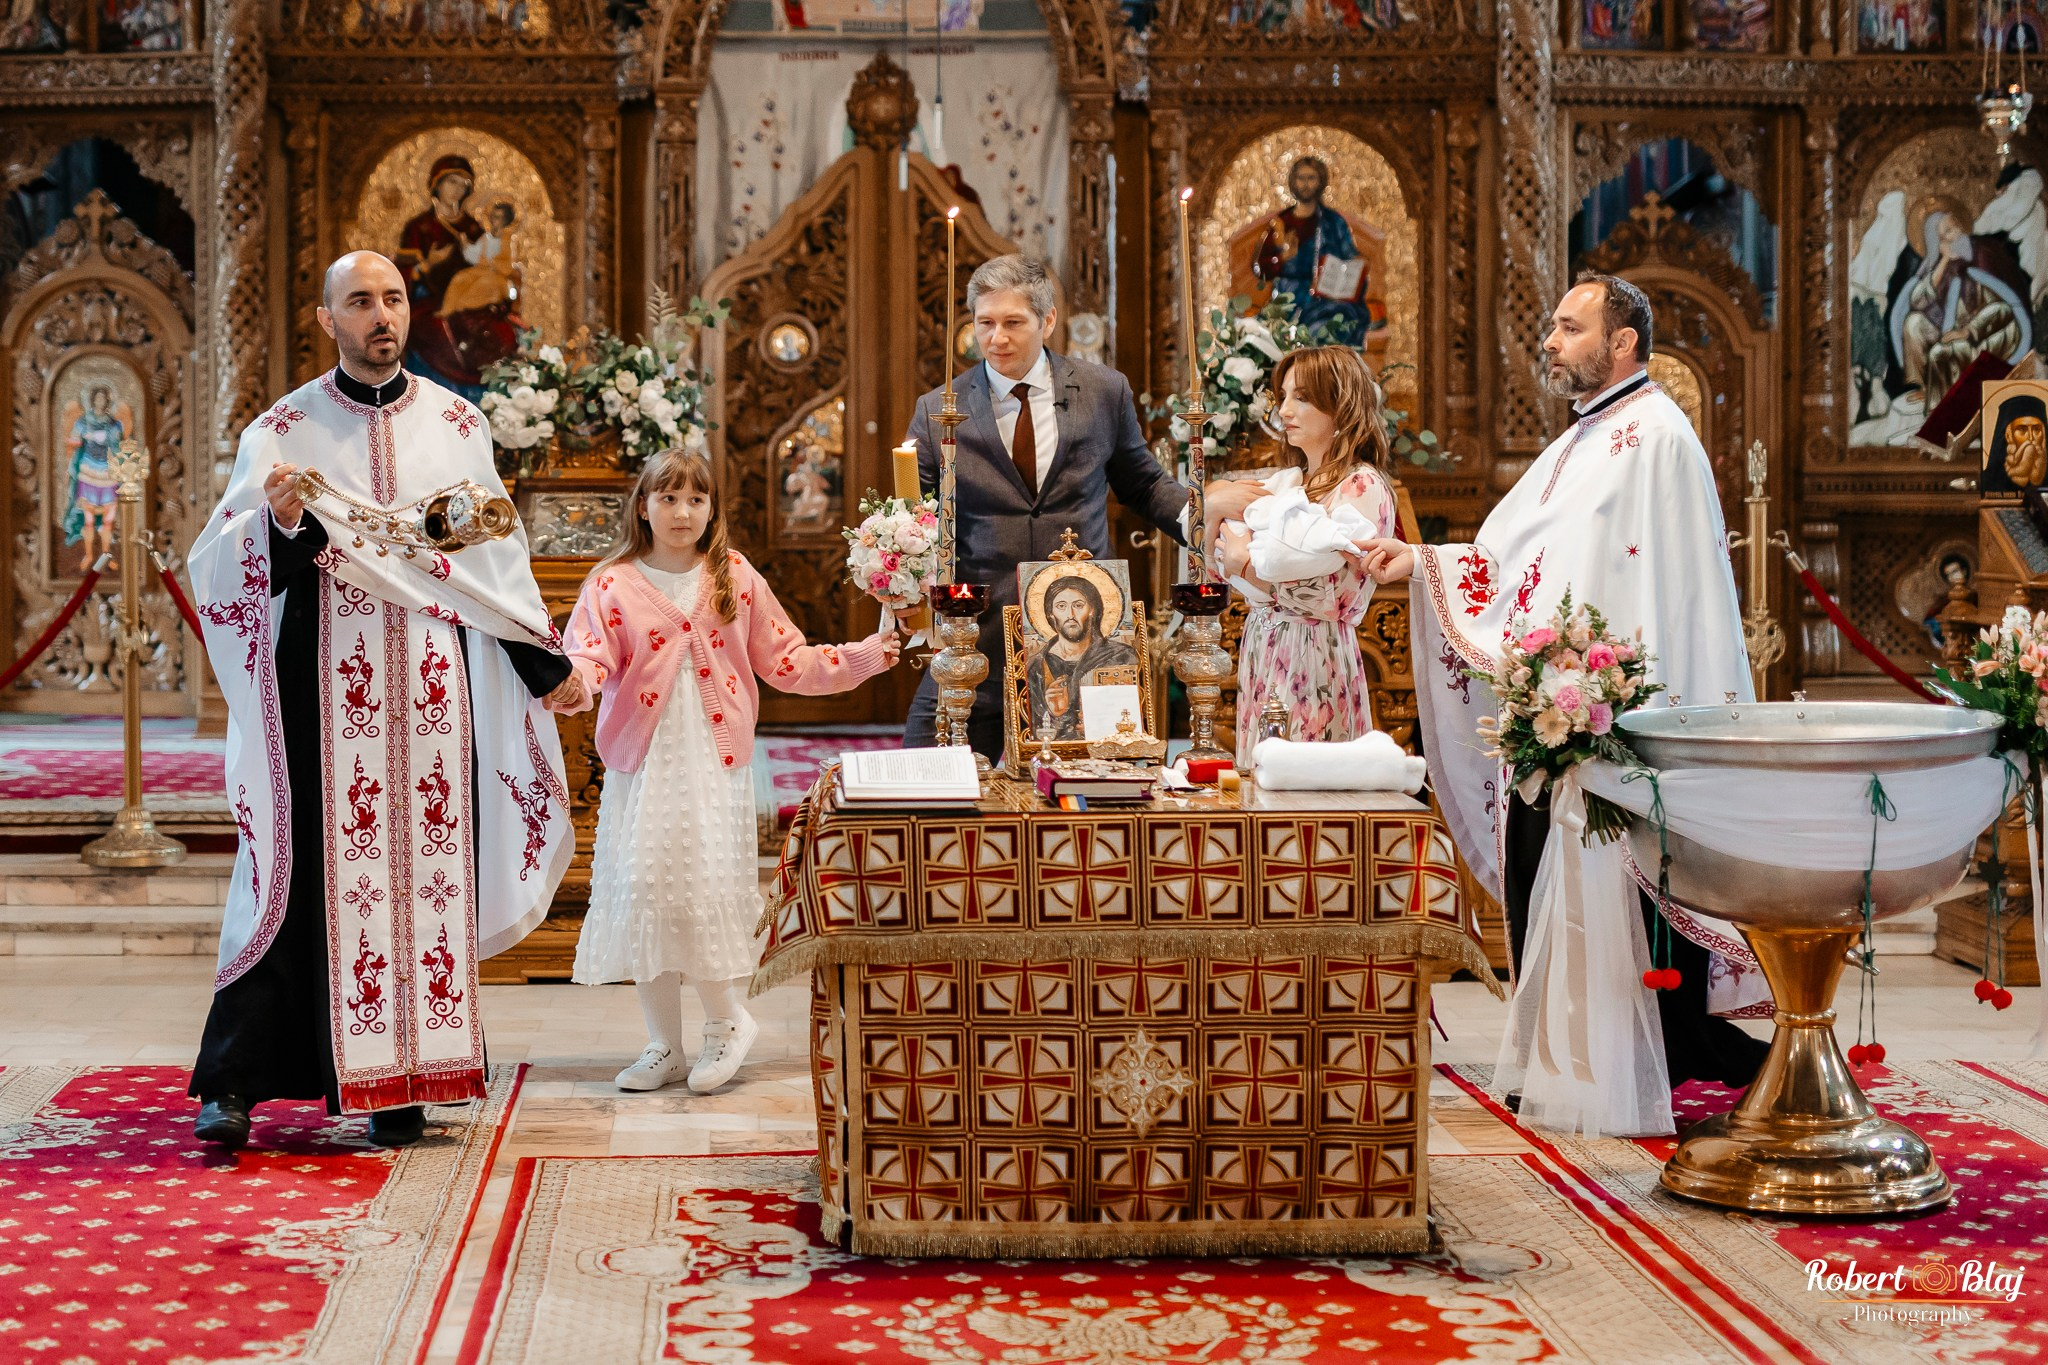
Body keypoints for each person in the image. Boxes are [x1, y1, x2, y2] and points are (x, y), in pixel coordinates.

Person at [187, 251, 583, 1151]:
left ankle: (402, 1078)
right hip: (317, 684)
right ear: (327, 319)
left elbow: (493, 570)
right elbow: (222, 563)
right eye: (360, 301)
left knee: (421, 878)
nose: (380, 315)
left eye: (393, 299)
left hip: (433, 690)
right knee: (290, 873)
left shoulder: (457, 423)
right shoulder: (284, 428)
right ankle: (236, 1078)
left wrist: (543, 665)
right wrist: (282, 522)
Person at [1359, 274, 1769, 1123]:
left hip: (1615, 716)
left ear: (1622, 342)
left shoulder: (1656, 435)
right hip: (1556, 708)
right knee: (1536, 873)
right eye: (1551, 325)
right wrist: (1424, 564)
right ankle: (1565, 1055)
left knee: (1617, 895)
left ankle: (1637, 1059)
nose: (1549, 340)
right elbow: (1513, 558)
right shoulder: (1585, 435)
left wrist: (1616, 699)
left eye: (1569, 327)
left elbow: (1665, 587)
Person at [560, 448, 900, 1094]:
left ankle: (727, 1021)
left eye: (696, 499)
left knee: (702, 885)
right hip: (645, 759)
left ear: (712, 508)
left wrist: (868, 655)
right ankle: (664, 1043)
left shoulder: (733, 575)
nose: (682, 512)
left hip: (711, 762)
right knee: (645, 886)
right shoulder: (612, 583)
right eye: (668, 498)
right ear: (643, 506)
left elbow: (788, 660)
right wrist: (570, 684)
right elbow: (588, 658)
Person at [900, 254, 1191, 761]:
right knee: (926, 777)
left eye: (1013, 323)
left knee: (1099, 794)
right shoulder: (939, 408)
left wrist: (1206, 524)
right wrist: (902, 587)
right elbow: (913, 517)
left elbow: (1144, 485)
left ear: (1048, 320)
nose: (997, 338)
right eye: (985, 323)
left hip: (1083, 638)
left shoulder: (1103, 391)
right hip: (978, 637)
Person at [1206, 346, 1400, 759]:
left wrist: (1246, 565)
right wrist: (1215, 511)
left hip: (1315, 655)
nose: (1284, 411)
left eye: (1302, 398)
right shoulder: (1292, 483)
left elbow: (1336, 597)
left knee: (1307, 778)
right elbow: (1217, 560)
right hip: (1264, 645)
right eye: (1283, 397)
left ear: (1341, 406)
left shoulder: (1361, 485)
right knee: (1260, 774)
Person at [1247, 157, 1372, 345]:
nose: (1306, 184)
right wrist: (1283, 257)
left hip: (1326, 298)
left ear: (1321, 182)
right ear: (1293, 182)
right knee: (1264, 334)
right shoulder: (1281, 223)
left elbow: (1349, 255)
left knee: (1332, 325)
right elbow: (1259, 267)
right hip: (1289, 296)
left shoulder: (1332, 222)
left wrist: (1359, 263)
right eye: (1301, 178)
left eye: (1311, 178)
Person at [1023, 574, 1139, 741]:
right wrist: (1055, 713)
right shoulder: (1036, 666)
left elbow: (1128, 714)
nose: (1070, 614)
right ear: (1050, 614)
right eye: (1061, 606)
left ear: (1092, 610)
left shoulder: (1121, 656)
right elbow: (1032, 733)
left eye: (1078, 605)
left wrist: (1097, 725)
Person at [64, 385, 124, 573]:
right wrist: (85, 436)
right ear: (92, 400)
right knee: (88, 519)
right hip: (88, 471)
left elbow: (120, 445)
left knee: (108, 519)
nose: (100, 402)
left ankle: (106, 555)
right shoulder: (83, 422)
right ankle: (89, 555)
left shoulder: (114, 424)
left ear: (107, 402)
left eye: (103, 399)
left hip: (107, 473)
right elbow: (72, 441)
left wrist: (110, 439)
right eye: (97, 398)